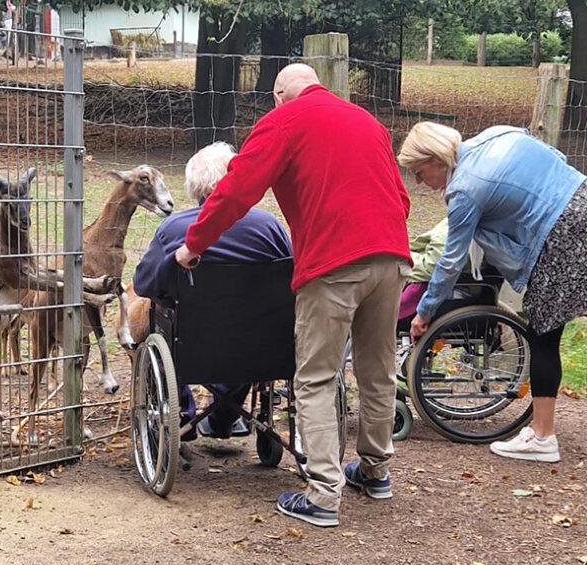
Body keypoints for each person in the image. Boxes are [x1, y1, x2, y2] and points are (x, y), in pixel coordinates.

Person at [174, 63, 412, 528]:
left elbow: (235, 190)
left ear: (280, 96)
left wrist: (194, 244)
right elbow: (401, 200)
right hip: (391, 257)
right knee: (377, 371)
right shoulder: (368, 122)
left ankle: (323, 495)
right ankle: (375, 471)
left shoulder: (282, 122)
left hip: (332, 264)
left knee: (317, 378)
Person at [397, 122, 587, 464]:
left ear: (437, 160)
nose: (419, 182)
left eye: (419, 172)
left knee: (541, 333)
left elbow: (451, 259)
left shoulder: (463, 190)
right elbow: (554, 157)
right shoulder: (500, 134)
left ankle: (542, 437)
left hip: (562, 235)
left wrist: (424, 311)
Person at [133, 142, 293, 439]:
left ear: (195, 186)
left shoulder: (174, 229)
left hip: (190, 343)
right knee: (251, 330)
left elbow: (144, 284)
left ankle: (182, 412)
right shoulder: (270, 228)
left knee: (164, 322)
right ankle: (224, 414)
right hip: (260, 346)